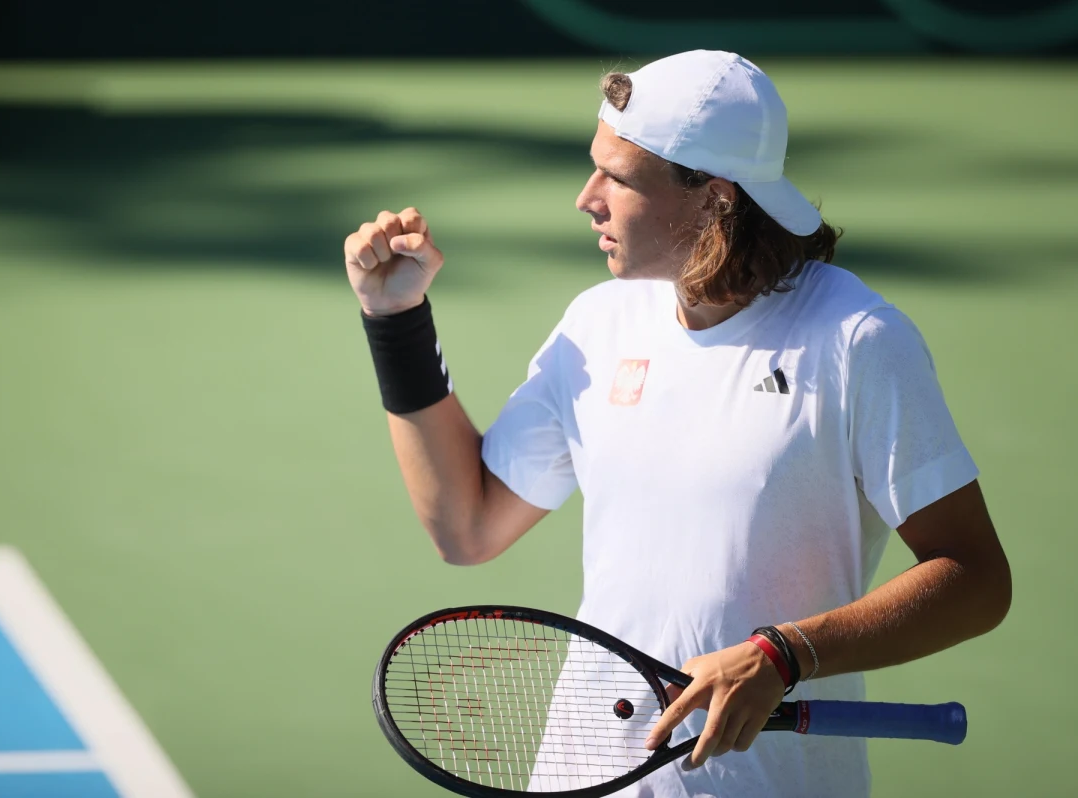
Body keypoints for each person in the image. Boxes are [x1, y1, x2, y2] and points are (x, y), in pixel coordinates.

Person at [345, 50, 1010, 798]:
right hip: (586, 778)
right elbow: (467, 527)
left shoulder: (856, 339)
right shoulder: (597, 325)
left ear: (715, 198)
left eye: (618, 179)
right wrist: (395, 319)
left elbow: (977, 580)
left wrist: (785, 654)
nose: (585, 199)